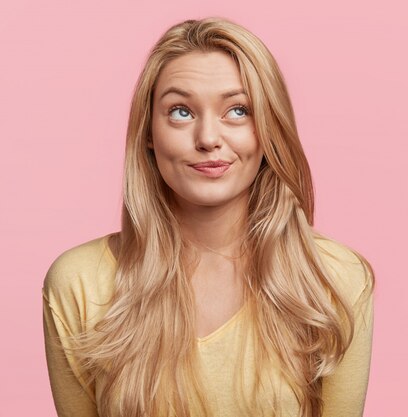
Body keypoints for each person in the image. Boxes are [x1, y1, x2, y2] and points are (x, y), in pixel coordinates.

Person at [42, 17, 374, 417]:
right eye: (180, 112)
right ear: (149, 132)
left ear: (268, 127)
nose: (208, 138)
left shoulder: (334, 278)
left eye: (237, 110)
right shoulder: (79, 283)